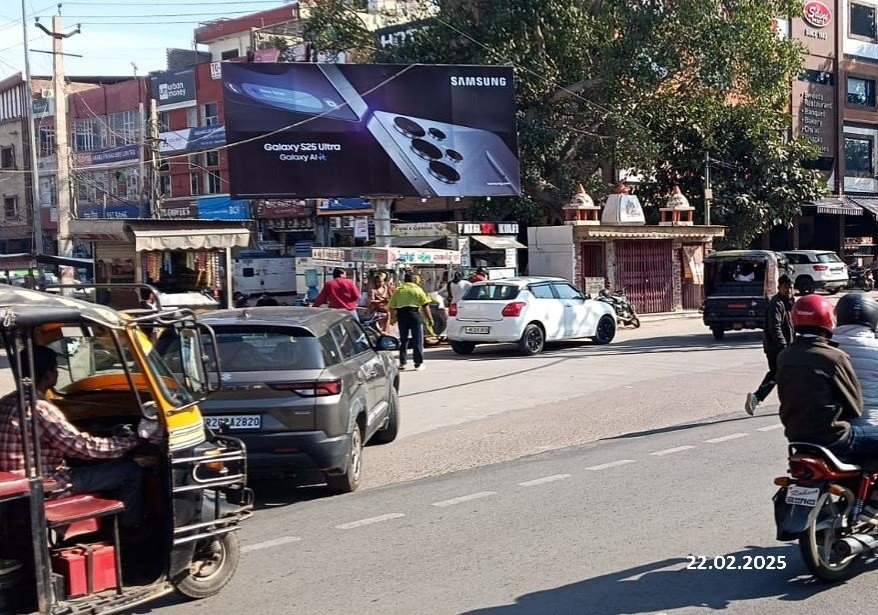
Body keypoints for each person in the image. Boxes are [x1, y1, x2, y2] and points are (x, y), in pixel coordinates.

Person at [0, 346, 143, 527]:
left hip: (19, 484)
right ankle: (131, 530)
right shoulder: (40, 408)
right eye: (55, 370)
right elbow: (82, 447)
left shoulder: (6, 402)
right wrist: (131, 442)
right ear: (49, 375)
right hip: (47, 484)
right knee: (130, 470)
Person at [775, 295, 878, 470]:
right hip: (834, 436)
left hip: (795, 436)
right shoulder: (834, 356)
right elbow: (855, 406)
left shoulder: (784, 355)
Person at [745, 274, 794, 415]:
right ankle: (758, 397)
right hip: (776, 348)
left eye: (791, 288)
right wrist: (784, 347)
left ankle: (761, 398)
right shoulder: (776, 304)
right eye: (786, 288)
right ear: (779, 288)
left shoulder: (789, 303)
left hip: (783, 347)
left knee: (778, 374)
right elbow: (775, 328)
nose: (789, 291)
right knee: (779, 374)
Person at [388, 273, 435, 371]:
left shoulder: (399, 290)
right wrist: (430, 318)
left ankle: (402, 363)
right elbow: (425, 305)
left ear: (404, 280)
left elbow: (392, 306)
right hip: (414, 315)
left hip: (402, 316)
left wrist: (392, 317)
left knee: (403, 339)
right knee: (417, 339)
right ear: (414, 280)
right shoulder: (418, 290)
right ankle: (418, 363)